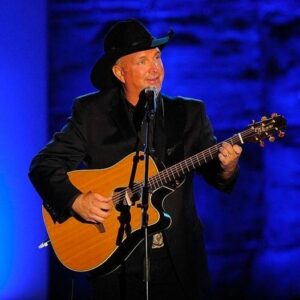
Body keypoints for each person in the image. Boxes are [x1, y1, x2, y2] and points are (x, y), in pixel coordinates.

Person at [29, 19, 242, 300]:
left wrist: (228, 167)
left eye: (157, 58)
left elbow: (219, 176)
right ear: (119, 72)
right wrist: (75, 200)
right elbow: (43, 166)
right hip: (115, 266)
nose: (155, 68)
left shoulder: (189, 113)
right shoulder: (91, 113)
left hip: (179, 264)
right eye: (142, 61)